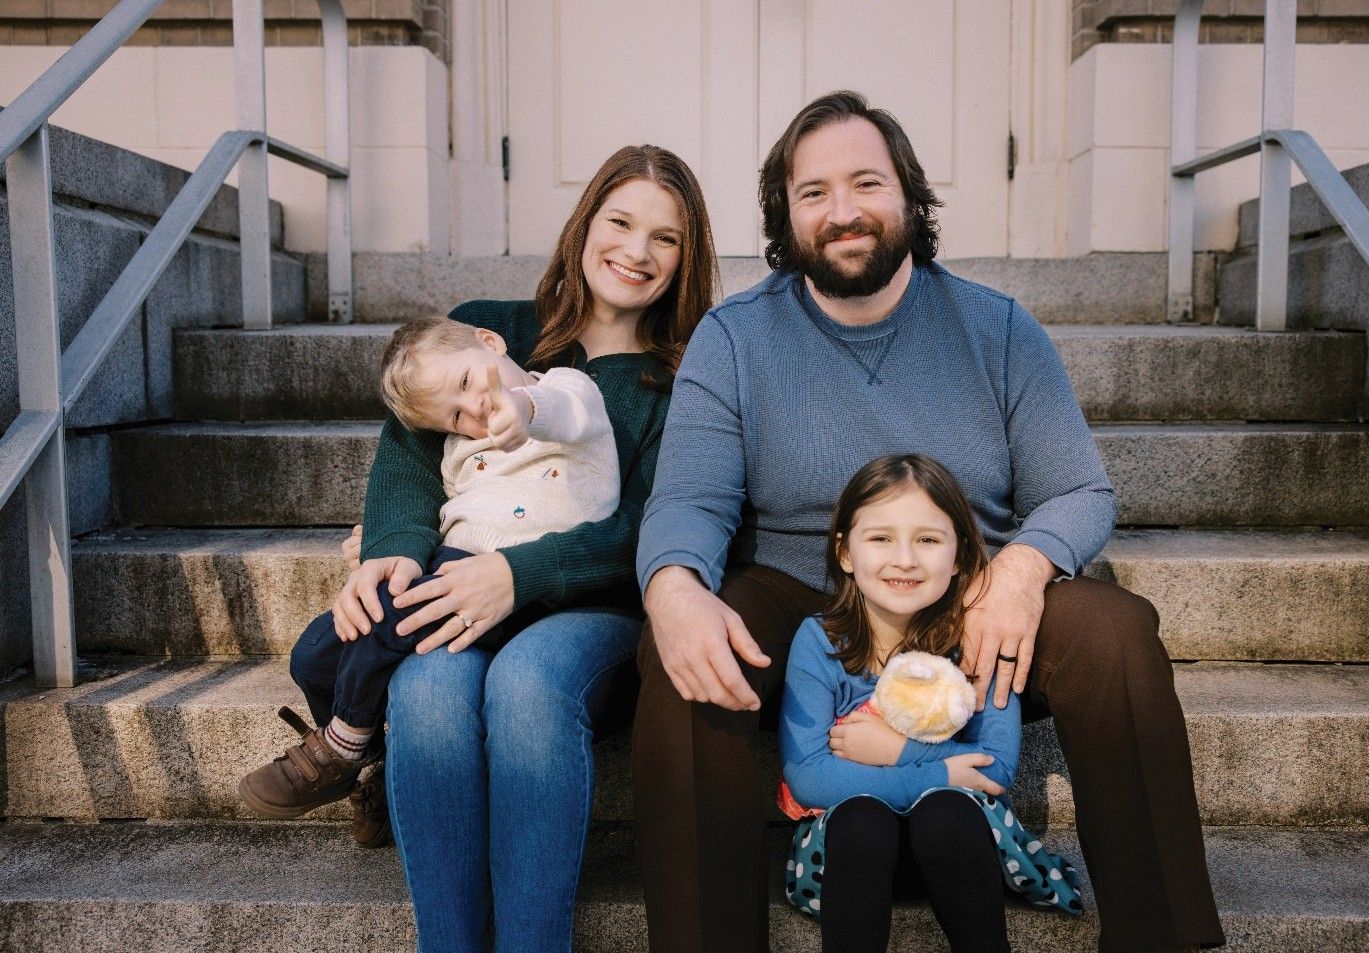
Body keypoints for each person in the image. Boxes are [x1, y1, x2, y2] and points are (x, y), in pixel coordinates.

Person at [633, 91, 1224, 952]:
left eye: (866, 183)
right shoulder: (735, 338)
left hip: (967, 596)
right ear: (783, 213)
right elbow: (687, 500)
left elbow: (1081, 491)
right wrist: (673, 587)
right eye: (813, 192)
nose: (843, 213)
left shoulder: (998, 328)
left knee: (1117, 632)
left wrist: (1021, 571)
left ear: (909, 194)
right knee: (683, 651)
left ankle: (1160, 935)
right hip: (806, 596)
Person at [295, 144, 719, 953]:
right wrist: (391, 549)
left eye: (664, 238)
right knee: (425, 686)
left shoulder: (684, 376)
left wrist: (519, 575)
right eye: (620, 222)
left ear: (687, 255)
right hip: (462, 581)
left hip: (597, 605)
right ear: (584, 223)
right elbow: (412, 452)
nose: (636, 251)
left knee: (524, 687)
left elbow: (658, 523)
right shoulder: (495, 331)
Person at [238, 316, 620, 820]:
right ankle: (380, 765)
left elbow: (569, 411)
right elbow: (452, 514)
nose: (475, 411)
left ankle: (343, 745)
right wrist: (378, 548)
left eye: (466, 383)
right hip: (451, 566)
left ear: (491, 339)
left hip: (523, 587)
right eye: (456, 416)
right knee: (312, 656)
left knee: (392, 619)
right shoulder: (461, 450)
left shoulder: (565, 388)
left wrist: (524, 408)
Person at [780, 454, 1082, 953]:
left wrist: (895, 750)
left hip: (958, 850)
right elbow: (807, 775)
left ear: (960, 552)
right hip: (847, 861)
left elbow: (993, 769)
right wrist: (936, 769)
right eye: (880, 538)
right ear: (846, 553)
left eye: (928, 539)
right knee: (862, 819)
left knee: (946, 810)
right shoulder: (819, 642)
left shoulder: (979, 639)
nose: (905, 559)